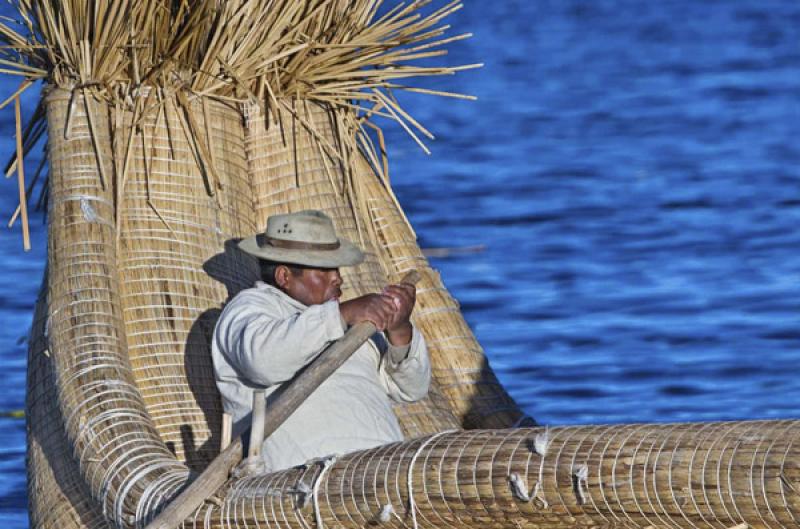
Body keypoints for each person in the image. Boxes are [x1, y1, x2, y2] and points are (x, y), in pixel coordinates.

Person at [212, 209, 430, 472]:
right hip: (302, 484)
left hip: (383, 474)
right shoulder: (251, 309)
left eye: (335, 269)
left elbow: (412, 389)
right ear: (284, 277)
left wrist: (399, 329)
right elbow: (263, 361)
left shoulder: (352, 324)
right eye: (324, 270)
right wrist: (340, 314)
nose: (337, 278)